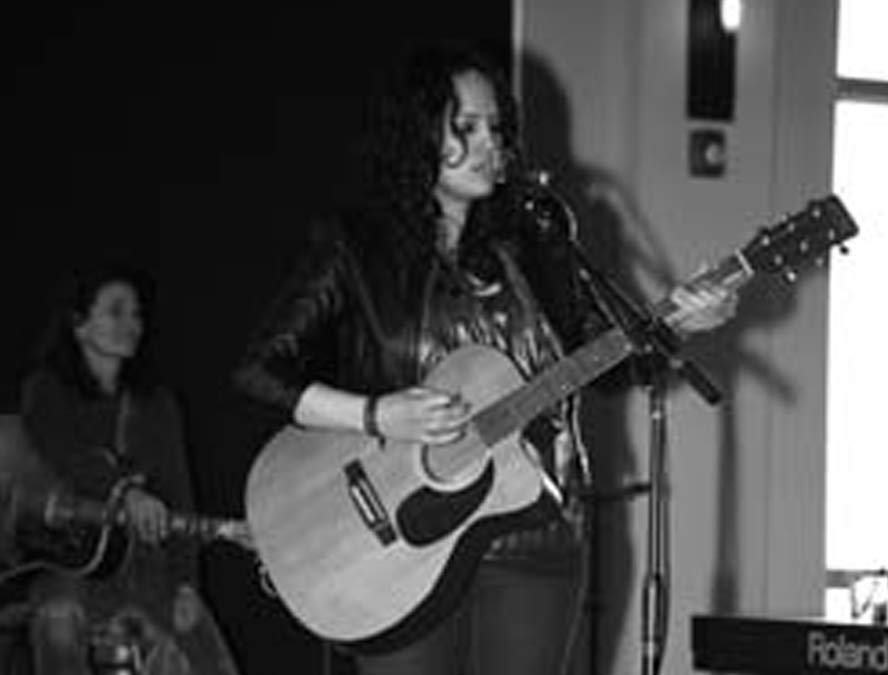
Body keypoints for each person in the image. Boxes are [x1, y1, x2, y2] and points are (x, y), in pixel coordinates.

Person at [233, 43, 735, 675]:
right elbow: (260, 371)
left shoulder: (538, 241)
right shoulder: (355, 248)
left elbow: (609, 364)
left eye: (496, 129)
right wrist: (377, 415)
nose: (488, 145)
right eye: (465, 127)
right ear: (417, 133)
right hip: (396, 544)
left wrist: (677, 323)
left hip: (537, 535)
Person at [0, 263, 240, 675]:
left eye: (137, 314)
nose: (132, 325)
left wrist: (186, 584)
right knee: (58, 621)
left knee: (208, 658)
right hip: (70, 569)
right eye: (116, 311)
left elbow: (179, 492)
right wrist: (125, 492)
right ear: (79, 325)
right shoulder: (46, 390)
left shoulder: (157, 404)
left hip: (146, 569)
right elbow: (64, 452)